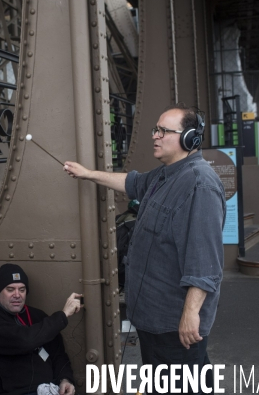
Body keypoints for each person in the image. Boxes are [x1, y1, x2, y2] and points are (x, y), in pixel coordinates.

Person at [64, 105, 225, 393]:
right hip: (153, 319)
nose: (156, 136)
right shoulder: (166, 175)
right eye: (156, 129)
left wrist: (190, 316)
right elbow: (131, 182)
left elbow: (204, 264)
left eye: (164, 131)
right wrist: (88, 174)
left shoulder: (199, 185)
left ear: (189, 139)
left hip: (173, 326)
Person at [0, 264, 81, 395]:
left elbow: (58, 354)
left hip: (51, 389)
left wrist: (65, 379)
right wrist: (62, 316)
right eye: (10, 289)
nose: (17, 295)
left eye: (22, 290)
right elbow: (23, 340)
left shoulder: (38, 316)